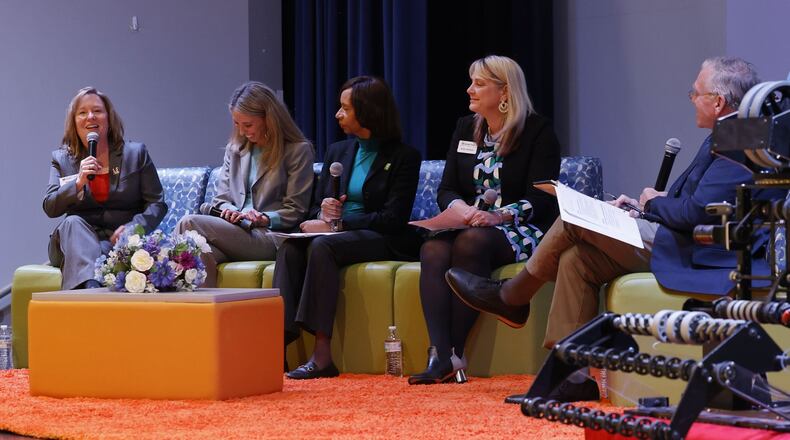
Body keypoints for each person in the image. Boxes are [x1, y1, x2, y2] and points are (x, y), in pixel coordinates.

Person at [446, 56, 780, 402]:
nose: (691, 99)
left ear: (718, 101)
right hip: (679, 236)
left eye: (694, 93)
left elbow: (698, 214)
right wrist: (647, 204)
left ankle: (512, 297)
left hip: (697, 250)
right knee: (578, 259)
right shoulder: (734, 132)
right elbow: (707, 201)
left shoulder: (740, 137)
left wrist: (651, 203)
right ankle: (571, 378)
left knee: (574, 219)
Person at [408, 55, 561, 385]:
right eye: (471, 82)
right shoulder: (466, 127)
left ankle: (456, 351)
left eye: (479, 83)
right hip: (471, 222)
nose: (469, 89)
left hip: (520, 226)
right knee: (433, 249)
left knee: (471, 243)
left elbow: (543, 199)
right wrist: (461, 209)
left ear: (504, 91)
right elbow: (447, 188)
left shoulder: (538, 131)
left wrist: (498, 216)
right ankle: (440, 354)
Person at [275, 76, 421, 380]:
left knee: (322, 246)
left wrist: (338, 224)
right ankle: (277, 350)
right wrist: (322, 212)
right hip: (336, 232)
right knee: (290, 248)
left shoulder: (404, 157)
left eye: (345, 109)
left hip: (381, 237)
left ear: (367, 112)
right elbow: (316, 205)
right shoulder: (337, 152)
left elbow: (393, 218)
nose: (337, 115)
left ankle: (323, 354)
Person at [176, 81, 314, 287]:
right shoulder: (235, 150)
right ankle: (207, 316)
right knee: (195, 249)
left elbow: (296, 210)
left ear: (270, 119)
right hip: (235, 231)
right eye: (237, 124)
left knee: (189, 223)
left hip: (268, 237)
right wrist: (231, 211)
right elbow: (220, 200)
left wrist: (264, 218)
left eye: (248, 125)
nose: (241, 131)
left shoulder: (297, 151)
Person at [44, 87, 167, 290]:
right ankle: (92, 292)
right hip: (70, 243)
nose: (90, 116)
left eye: (97, 111)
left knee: (102, 251)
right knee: (73, 222)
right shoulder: (62, 159)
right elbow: (50, 206)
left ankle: (85, 300)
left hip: (116, 243)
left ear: (109, 118)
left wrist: (135, 227)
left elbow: (157, 203)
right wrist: (77, 183)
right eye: (82, 112)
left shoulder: (135, 154)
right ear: (74, 122)